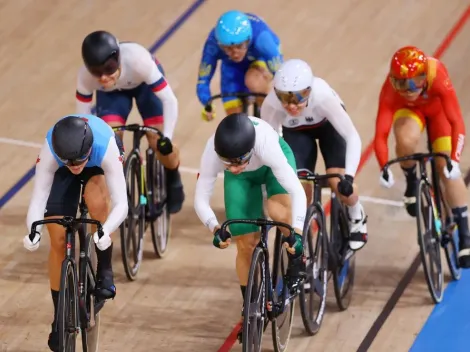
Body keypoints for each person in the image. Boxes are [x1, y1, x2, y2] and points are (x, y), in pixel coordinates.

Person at [194, 112, 306, 341]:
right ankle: (250, 309)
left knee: (278, 211)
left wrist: (297, 232)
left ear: (250, 150)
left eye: (238, 162)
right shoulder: (213, 152)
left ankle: (296, 260)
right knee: (245, 243)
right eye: (228, 163)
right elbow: (200, 199)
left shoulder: (266, 145)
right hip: (245, 180)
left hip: (271, 167)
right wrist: (215, 228)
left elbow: (297, 191)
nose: (233, 168)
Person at [23, 114, 128, 351]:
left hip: (97, 167)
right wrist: (34, 232)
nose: (75, 166)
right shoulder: (51, 150)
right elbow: (38, 200)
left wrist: (106, 230)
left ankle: (105, 269)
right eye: (70, 162)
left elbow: (123, 204)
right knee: (57, 238)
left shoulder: (105, 146)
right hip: (60, 172)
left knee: (97, 202)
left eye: (79, 160)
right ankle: (59, 317)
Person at [373, 45, 470, 268]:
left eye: (415, 82)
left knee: (444, 164)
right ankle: (412, 181)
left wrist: (454, 160)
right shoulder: (389, 90)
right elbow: (381, 133)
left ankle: (465, 233)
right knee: (405, 139)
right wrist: (383, 167)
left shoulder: (438, 74)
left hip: (439, 114)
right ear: (392, 80)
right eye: (401, 83)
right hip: (411, 113)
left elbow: (457, 122)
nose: (408, 90)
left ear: (425, 76)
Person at [261, 59, 368, 250]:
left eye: (298, 97)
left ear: (309, 91)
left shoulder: (323, 96)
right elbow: (267, 143)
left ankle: (355, 212)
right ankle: (305, 252)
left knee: (338, 183)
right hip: (297, 132)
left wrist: (349, 178)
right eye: (285, 98)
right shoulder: (271, 104)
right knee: (299, 192)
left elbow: (352, 136)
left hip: (329, 127)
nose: (292, 106)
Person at [76, 30, 184, 214]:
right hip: (112, 94)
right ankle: (120, 185)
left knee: (157, 140)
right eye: (96, 72)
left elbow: (170, 100)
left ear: (118, 60)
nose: (103, 77)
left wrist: (166, 137)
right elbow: (84, 120)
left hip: (145, 86)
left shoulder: (138, 60)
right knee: (109, 140)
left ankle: (173, 176)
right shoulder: (85, 77)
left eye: (109, 68)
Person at [197, 10, 283, 121]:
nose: (235, 53)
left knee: (254, 82)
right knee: (234, 121)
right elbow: (203, 81)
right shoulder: (213, 44)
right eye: (228, 48)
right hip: (231, 66)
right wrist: (207, 105)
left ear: (248, 39)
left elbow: (281, 76)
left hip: (260, 58)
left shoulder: (262, 39)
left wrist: (284, 100)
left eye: (239, 46)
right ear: (220, 44)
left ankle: (271, 121)